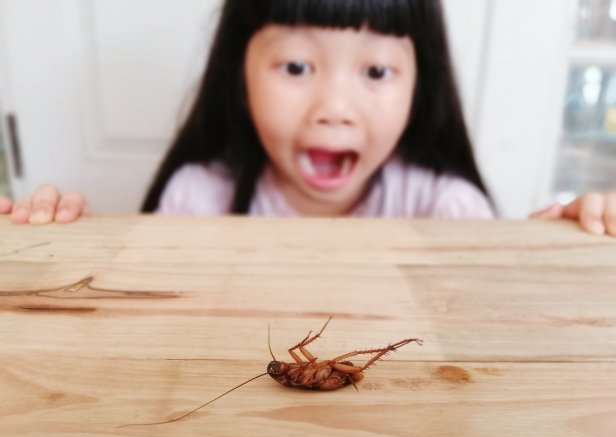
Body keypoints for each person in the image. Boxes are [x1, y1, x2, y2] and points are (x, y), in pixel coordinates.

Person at [0, 0, 614, 235]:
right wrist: (59, 238)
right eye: (296, 67)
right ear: (237, 75)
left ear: (420, 85)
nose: (334, 110)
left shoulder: (449, 208)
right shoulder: (194, 198)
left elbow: (495, 320)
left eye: (375, 72)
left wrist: (557, 239)